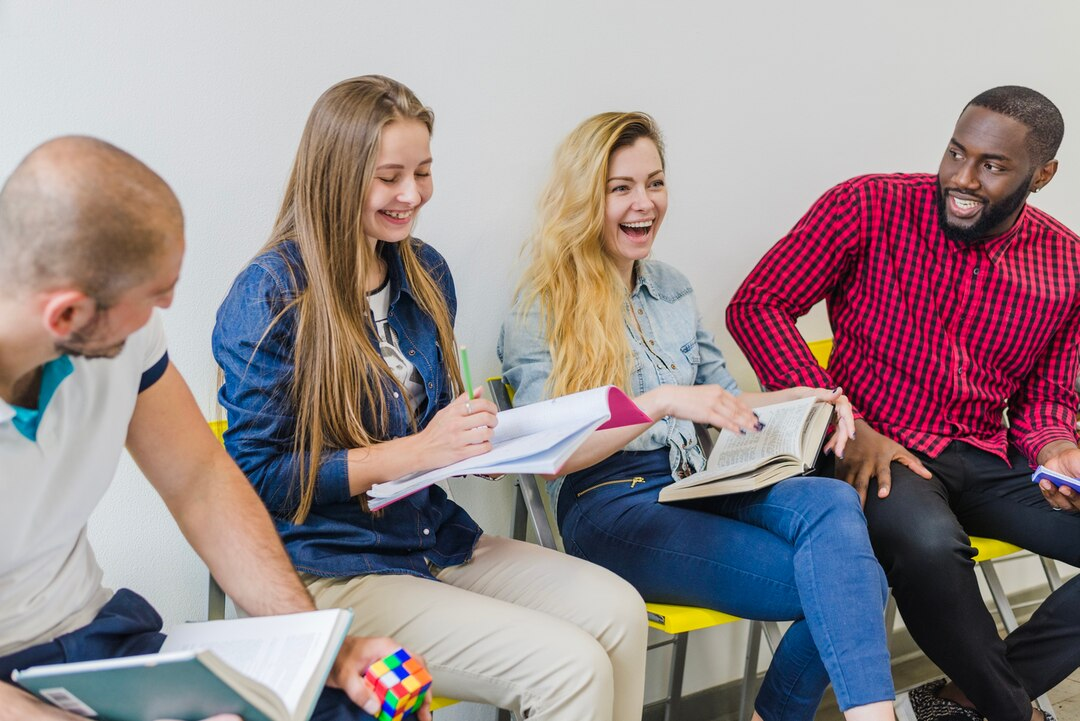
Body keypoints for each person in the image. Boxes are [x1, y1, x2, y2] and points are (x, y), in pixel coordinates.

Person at [212, 75, 648, 721]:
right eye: (390, 176)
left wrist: (479, 438)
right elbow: (257, 476)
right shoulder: (270, 295)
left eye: (423, 171)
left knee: (621, 611)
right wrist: (416, 450)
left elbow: (436, 428)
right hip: (333, 572)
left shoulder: (424, 271)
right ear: (336, 176)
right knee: (570, 667)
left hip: (433, 540)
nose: (412, 194)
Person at [0, 136, 425, 721]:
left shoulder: (117, 339)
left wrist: (321, 650)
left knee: (363, 709)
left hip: (91, 645)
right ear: (68, 315)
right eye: (153, 296)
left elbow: (201, 481)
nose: (167, 307)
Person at [499, 111, 897, 721]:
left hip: (701, 481)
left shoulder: (672, 288)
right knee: (848, 585)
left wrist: (812, 396)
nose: (645, 203)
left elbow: (721, 402)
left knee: (832, 506)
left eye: (655, 183)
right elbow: (552, 456)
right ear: (585, 198)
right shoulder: (539, 307)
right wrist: (659, 402)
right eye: (621, 187)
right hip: (612, 505)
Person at [727, 85, 1080, 721]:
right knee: (927, 546)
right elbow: (757, 304)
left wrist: (1058, 449)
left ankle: (965, 701)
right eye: (956, 153)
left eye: (993, 166)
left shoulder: (1068, 264)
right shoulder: (868, 205)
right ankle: (1013, 714)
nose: (963, 179)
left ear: (1042, 174)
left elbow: (1046, 398)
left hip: (980, 452)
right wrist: (840, 417)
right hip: (873, 449)